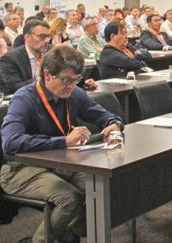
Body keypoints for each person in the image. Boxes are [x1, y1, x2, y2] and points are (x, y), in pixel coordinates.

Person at [0, 44, 123, 243]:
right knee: (69, 199)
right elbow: (11, 143)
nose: (71, 86)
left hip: (60, 164)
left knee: (99, 188)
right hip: (20, 168)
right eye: (66, 80)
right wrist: (63, 141)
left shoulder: (73, 93)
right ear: (47, 75)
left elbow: (106, 116)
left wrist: (114, 125)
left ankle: (72, 234)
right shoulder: (24, 98)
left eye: (76, 80)